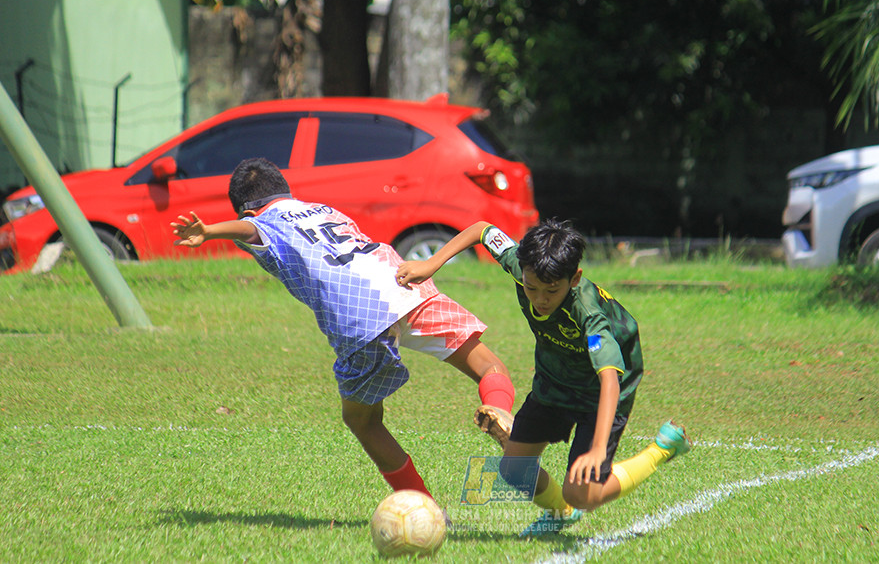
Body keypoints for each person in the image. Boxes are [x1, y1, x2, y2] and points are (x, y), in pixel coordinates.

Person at [170, 157, 516, 506]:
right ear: (283, 189)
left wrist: (211, 231)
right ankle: (499, 410)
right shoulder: (321, 209)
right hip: (405, 283)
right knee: (490, 367)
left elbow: (252, 230)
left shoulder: (263, 222)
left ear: (246, 208)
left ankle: (423, 507)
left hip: (361, 316)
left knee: (362, 420)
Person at [396, 219, 691, 537]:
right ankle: (561, 514)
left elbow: (609, 381)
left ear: (574, 279)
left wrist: (598, 449)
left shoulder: (590, 318)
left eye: (552, 291)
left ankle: (662, 449)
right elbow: (483, 230)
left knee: (583, 494)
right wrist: (431, 264)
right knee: (513, 470)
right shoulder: (519, 263)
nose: (540, 299)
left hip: (601, 387)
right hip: (556, 375)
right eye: (531, 288)